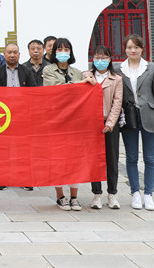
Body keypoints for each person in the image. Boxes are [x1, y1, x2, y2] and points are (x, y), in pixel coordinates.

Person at [42, 37, 95, 211]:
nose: (63, 53)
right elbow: (56, 90)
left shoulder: (77, 72)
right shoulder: (48, 70)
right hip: (56, 122)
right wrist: (79, 84)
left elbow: (83, 94)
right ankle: (60, 196)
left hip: (75, 123)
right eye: (59, 49)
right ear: (53, 52)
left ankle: (74, 197)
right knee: (57, 159)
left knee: (74, 160)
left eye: (66, 49)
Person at [119, 34, 154, 211]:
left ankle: (148, 194)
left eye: (136, 47)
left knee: (149, 158)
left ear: (142, 49)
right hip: (129, 117)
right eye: (129, 47)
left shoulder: (152, 68)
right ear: (124, 49)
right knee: (131, 158)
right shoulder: (119, 69)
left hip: (150, 116)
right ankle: (135, 194)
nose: (133, 50)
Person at [86, 45, 123, 210]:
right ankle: (96, 195)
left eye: (104, 58)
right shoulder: (86, 76)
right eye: (97, 57)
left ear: (109, 59)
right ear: (93, 59)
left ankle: (112, 194)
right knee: (95, 160)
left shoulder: (117, 79)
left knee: (112, 159)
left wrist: (110, 123)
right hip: (92, 124)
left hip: (110, 124)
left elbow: (117, 103)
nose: (100, 61)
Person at [0, 42, 29, 191]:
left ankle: (24, 178)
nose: (12, 55)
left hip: (22, 114)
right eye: (9, 52)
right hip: (3, 115)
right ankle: (3, 177)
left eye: (15, 52)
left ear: (19, 55)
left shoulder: (26, 71)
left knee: (23, 148)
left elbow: (34, 92)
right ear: (4, 54)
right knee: (4, 148)